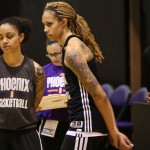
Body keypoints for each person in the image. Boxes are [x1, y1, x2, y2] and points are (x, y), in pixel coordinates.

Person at [42, 1, 134, 150]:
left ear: (63, 22)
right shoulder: (71, 46)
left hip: (85, 127)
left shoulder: (72, 52)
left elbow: (99, 95)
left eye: (49, 24)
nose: (45, 29)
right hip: (84, 126)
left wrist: (114, 131)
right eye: (44, 25)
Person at [0, 16, 45, 150]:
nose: (4, 41)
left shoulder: (36, 69)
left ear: (21, 37)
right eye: (0, 37)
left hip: (26, 132)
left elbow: (36, 101)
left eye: (9, 36)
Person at [37, 39, 68, 150]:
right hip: (49, 120)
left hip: (69, 120)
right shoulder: (43, 71)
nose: (54, 57)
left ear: (64, 50)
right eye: (50, 54)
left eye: (57, 54)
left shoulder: (73, 69)